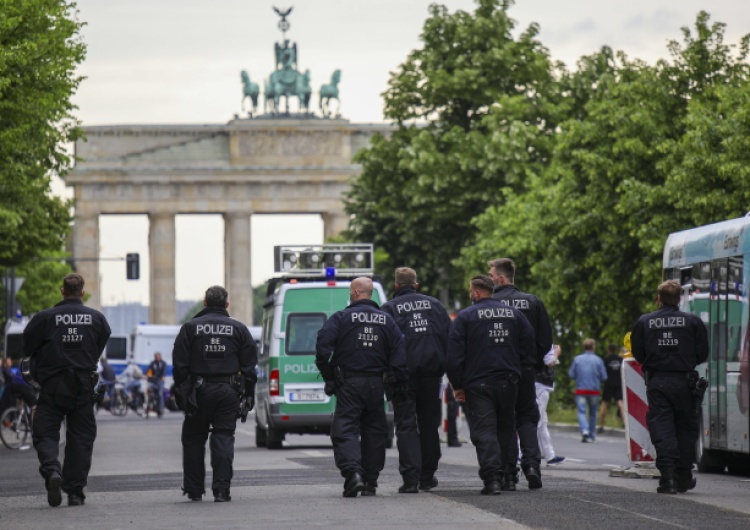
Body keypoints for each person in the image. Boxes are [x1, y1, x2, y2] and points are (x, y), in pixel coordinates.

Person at [24, 273, 111, 507]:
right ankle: (75, 492)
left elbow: (28, 345)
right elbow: (98, 346)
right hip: (83, 385)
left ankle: (53, 471)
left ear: (62, 291)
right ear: (82, 292)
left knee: (45, 433)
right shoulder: (97, 318)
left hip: (52, 385)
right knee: (81, 438)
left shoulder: (45, 318)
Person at [315, 276, 408, 498]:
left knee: (345, 429)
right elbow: (399, 353)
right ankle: (370, 481)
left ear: (355, 293)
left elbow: (322, 349)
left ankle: (353, 474)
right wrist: (398, 384)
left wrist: (330, 378)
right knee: (375, 431)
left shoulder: (341, 318)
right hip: (377, 384)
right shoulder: (386, 320)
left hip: (349, 383)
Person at [447, 275, 535, 495]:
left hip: (478, 384)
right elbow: (529, 346)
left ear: (477, 292)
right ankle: (509, 478)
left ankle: (492, 479)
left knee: (485, 431)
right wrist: (517, 370)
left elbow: (454, 356)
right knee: (506, 429)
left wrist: (457, 385)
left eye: (470, 291)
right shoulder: (515, 315)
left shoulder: (465, 317)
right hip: (509, 381)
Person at [172, 285, 257, 503]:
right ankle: (221, 490)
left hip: (198, 392)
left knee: (193, 439)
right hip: (228, 392)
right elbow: (249, 366)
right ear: (226, 304)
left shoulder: (190, 328)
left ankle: (194, 489)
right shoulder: (238, 329)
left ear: (205, 303)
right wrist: (248, 395)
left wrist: (183, 393)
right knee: (223, 437)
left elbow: (179, 365)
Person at [631, 280, 709, 494]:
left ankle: (668, 477)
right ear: (679, 299)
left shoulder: (645, 322)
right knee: (686, 428)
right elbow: (703, 353)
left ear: (659, 298)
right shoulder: (693, 322)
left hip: (658, 382)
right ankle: (684, 475)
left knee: (662, 427)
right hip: (685, 382)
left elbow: (639, 353)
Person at [381, 267, 452, 493]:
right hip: (432, 376)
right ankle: (427, 475)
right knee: (429, 424)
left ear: (395, 286)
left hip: (402, 377)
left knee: (406, 426)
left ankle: (411, 479)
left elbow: (384, 345)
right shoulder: (436, 306)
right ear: (416, 285)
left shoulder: (389, 309)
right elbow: (450, 339)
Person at [488, 258, 552, 489]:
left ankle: (508, 473)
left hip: (498, 371)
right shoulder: (533, 302)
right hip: (526, 370)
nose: (489, 278)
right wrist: (531, 360)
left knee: (505, 420)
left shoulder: (490, 303)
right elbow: (545, 340)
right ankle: (532, 465)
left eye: (491, 274)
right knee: (527, 417)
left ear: (500, 278)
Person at [569, 338, 607, 442]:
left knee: (581, 411)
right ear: (593, 347)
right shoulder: (598, 360)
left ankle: (584, 430)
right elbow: (604, 377)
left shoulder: (577, 359)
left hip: (580, 390)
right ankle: (591, 435)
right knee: (593, 413)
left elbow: (571, 374)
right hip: (594, 391)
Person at [536, 344, 565, 465]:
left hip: (539, 384)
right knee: (537, 421)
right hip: (541, 385)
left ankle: (550, 455)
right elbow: (549, 362)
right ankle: (521, 453)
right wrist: (556, 352)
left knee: (542, 422)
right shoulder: (544, 342)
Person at [597, 344, 625, 433]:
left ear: (608, 350)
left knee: (605, 403)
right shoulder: (620, 359)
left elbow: (601, 372)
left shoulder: (605, 359)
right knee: (621, 403)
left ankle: (601, 425)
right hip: (618, 383)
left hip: (608, 384)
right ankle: (625, 423)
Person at [147, 352, 167, 417]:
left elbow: (164, 371)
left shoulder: (163, 363)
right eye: (156, 357)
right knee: (148, 392)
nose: (157, 358)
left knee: (160, 394)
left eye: (158, 357)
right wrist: (149, 376)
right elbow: (149, 371)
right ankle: (148, 407)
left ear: (160, 357)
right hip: (153, 381)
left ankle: (160, 409)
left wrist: (163, 377)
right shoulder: (152, 363)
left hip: (160, 381)